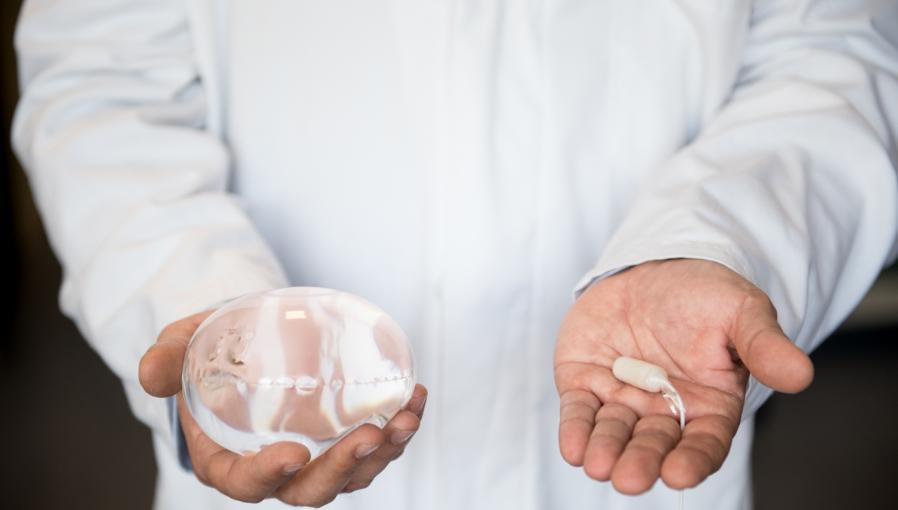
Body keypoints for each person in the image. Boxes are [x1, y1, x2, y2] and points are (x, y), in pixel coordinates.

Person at [11, 1, 898, 509]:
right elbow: (107, 83)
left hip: (637, 462)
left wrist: (718, 241)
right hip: (279, 449)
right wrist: (214, 323)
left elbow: (831, 50)